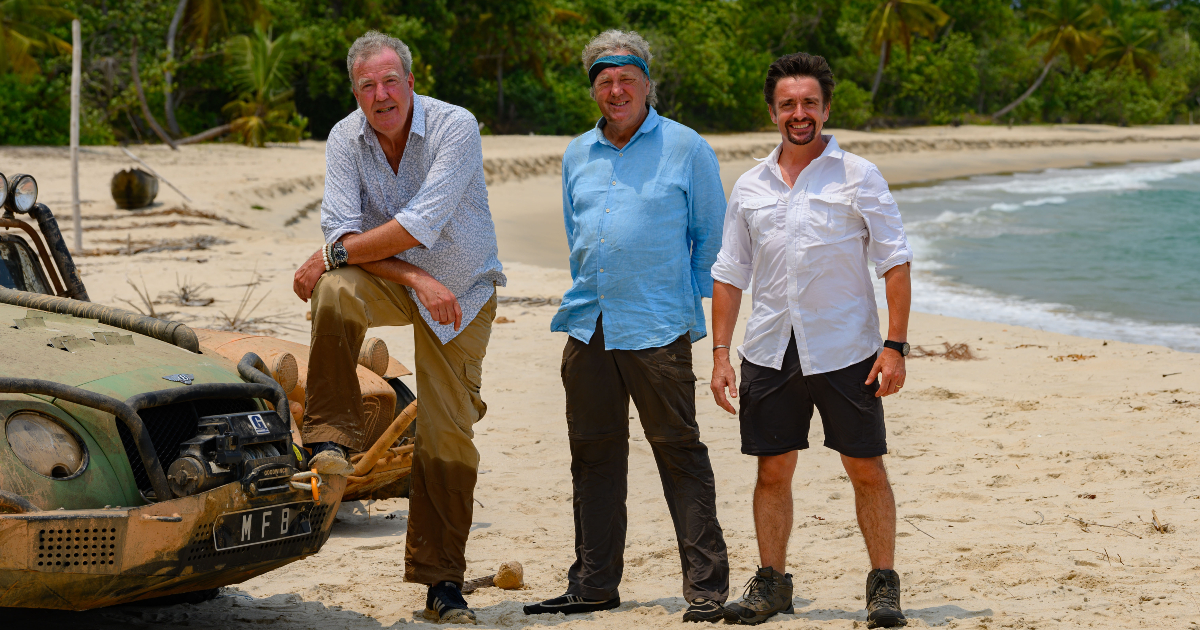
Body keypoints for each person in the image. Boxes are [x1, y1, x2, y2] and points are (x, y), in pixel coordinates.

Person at [291, 31, 505, 625]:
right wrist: (411, 278)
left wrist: (340, 251)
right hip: (405, 281)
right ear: (355, 91)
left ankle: (442, 583)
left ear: (411, 82)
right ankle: (330, 439)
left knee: (447, 436)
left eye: (390, 81)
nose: (380, 94)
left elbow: (418, 222)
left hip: (461, 291)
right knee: (335, 289)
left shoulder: (455, 126)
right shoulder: (344, 137)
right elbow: (340, 240)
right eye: (367, 85)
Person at [522, 29, 731, 623]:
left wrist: (686, 315)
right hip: (588, 326)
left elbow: (710, 244)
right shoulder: (575, 154)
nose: (616, 90)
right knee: (592, 458)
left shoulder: (687, 147)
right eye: (604, 80)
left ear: (646, 84)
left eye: (626, 79)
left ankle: (707, 591)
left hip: (658, 327)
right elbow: (578, 236)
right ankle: (593, 585)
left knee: (679, 453)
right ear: (594, 89)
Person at [708, 53, 913, 628]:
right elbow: (730, 273)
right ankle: (772, 583)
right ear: (772, 111)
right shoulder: (749, 185)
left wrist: (895, 346)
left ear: (826, 108)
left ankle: (883, 586)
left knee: (865, 467)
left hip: (849, 349)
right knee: (772, 470)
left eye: (810, 104)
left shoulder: (859, 175)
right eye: (788, 104)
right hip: (769, 349)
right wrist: (722, 355)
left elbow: (895, 263)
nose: (800, 114)